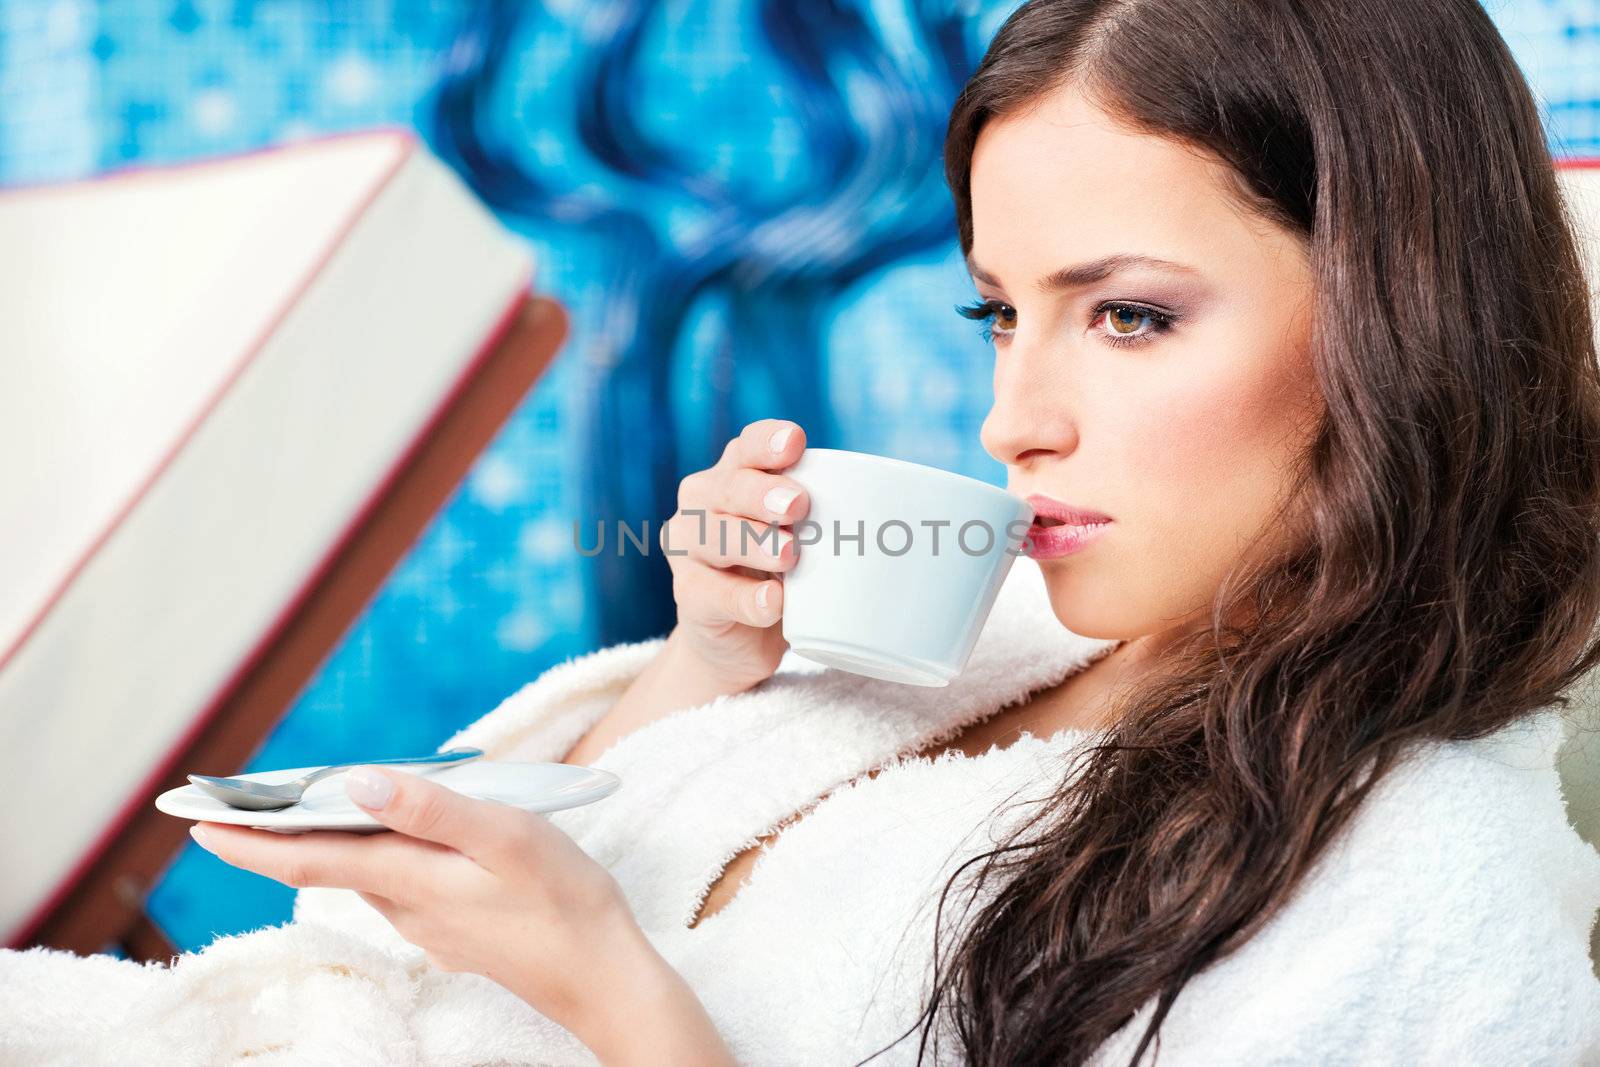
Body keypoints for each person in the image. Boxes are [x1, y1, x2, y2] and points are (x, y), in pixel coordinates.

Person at [7, 0, 1597, 1064]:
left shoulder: (1429, 886)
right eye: (997, 315)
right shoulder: (981, 643)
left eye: (1125, 315)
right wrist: (710, 663)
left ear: (1403, 313)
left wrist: (617, 996)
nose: (1010, 419)